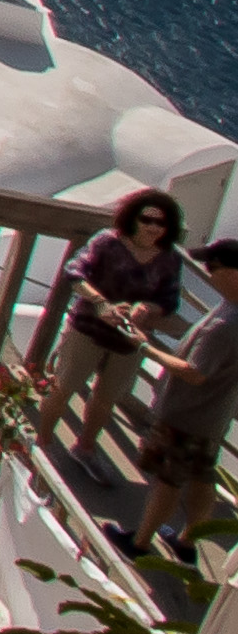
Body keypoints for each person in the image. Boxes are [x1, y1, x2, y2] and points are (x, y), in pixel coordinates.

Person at [120, 238, 238, 565]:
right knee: (202, 477)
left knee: (168, 481)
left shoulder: (226, 326)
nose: (208, 273)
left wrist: (145, 347)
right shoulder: (230, 309)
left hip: (187, 417)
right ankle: (186, 542)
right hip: (212, 417)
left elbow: (196, 373)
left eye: (214, 267)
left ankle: (140, 544)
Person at [44, 189, 193, 446]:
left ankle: (86, 447)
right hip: (88, 328)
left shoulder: (169, 259)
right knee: (63, 387)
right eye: (147, 219)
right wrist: (101, 303)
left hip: (131, 339)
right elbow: (75, 273)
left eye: (162, 222)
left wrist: (147, 308)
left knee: (106, 399)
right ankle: (43, 440)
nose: (153, 227)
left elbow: (169, 301)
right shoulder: (107, 242)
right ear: (133, 217)